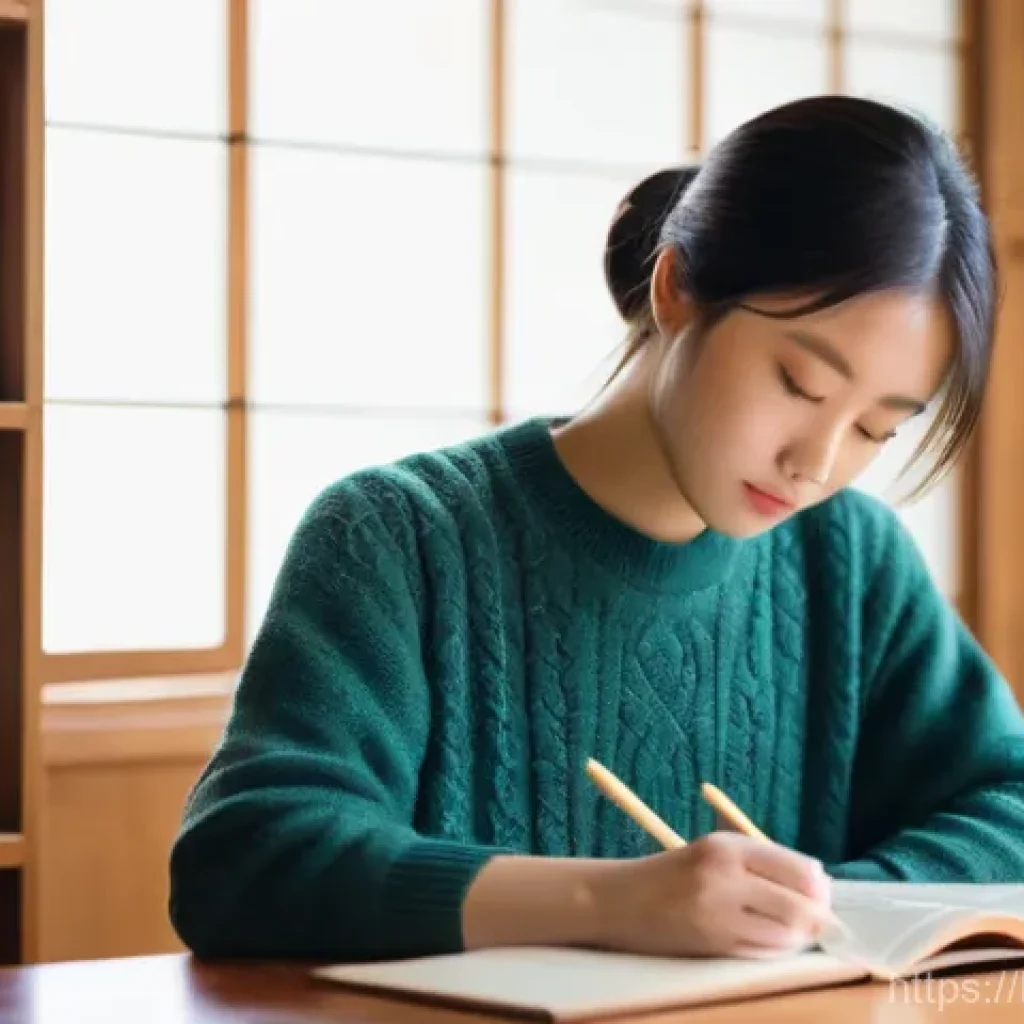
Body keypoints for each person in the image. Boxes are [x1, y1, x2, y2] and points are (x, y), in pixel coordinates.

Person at [168, 95, 1024, 966]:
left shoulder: (850, 559)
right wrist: (607, 901)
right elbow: (243, 857)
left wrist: (824, 909)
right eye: (800, 383)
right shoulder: (401, 537)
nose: (818, 462)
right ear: (677, 288)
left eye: (877, 428)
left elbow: (1012, 802)